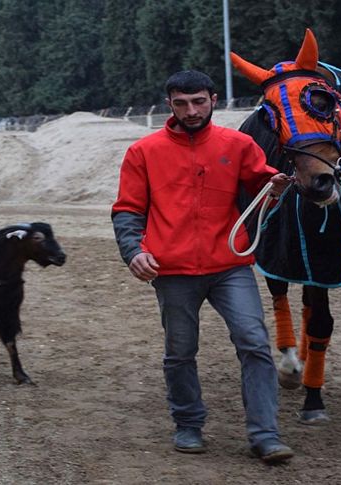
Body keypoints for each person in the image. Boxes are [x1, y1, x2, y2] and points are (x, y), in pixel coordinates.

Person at [111, 70, 294, 463]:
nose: (191, 111)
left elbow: (264, 186)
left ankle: (265, 434)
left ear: (213, 99)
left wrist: (277, 187)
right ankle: (188, 424)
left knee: (254, 342)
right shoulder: (143, 152)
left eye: (198, 102)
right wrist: (133, 251)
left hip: (229, 265)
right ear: (169, 104)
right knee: (180, 351)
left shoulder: (239, 144)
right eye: (181, 103)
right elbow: (127, 210)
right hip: (172, 269)